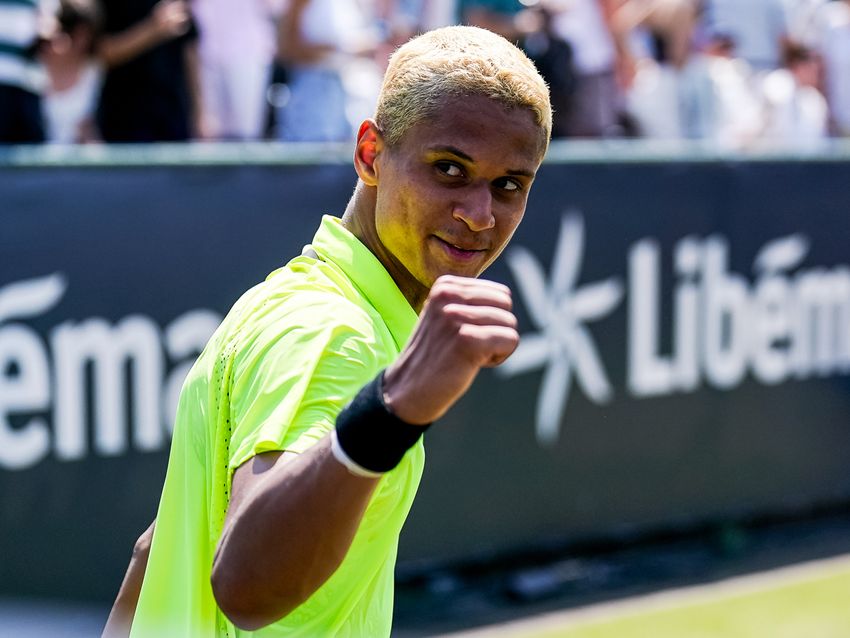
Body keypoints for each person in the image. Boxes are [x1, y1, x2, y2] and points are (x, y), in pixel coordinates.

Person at [103, 24, 551, 638]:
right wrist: (393, 408)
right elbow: (247, 587)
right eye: (449, 168)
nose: (479, 215)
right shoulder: (336, 335)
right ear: (370, 155)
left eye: (509, 185)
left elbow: (157, 550)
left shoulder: (293, 300)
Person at [95, 0, 203, 142]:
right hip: (124, 117)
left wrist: (200, 113)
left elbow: (189, 49)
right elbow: (101, 54)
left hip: (174, 115)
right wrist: (153, 29)